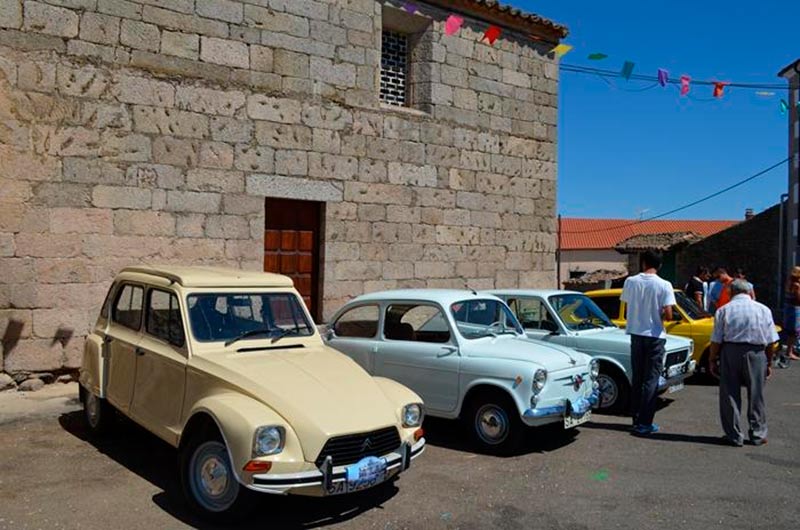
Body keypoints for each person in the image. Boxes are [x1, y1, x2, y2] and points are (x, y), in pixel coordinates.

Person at [709, 279, 779, 447]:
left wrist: (712, 359)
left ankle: (733, 435)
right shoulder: (763, 309)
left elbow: (716, 339)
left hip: (730, 351)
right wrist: (768, 362)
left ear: (731, 292)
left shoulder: (723, 310)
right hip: (756, 352)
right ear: (749, 292)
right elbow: (771, 341)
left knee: (729, 394)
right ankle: (758, 434)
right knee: (756, 395)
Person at [621, 250, 676, 435]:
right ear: (659, 265)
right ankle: (645, 423)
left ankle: (636, 418)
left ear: (643, 262)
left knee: (637, 378)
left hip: (636, 334)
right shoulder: (664, 284)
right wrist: (658, 316)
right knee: (651, 380)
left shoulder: (630, 281)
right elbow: (669, 314)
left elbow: (627, 306)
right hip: (655, 335)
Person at [780, 267, 800, 364]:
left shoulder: (789, 283)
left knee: (790, 331)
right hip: (794, 309)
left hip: (788, 307)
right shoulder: (797, 285)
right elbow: (798, 298)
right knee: (794, 331)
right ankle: (789, 351)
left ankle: (789, 350)